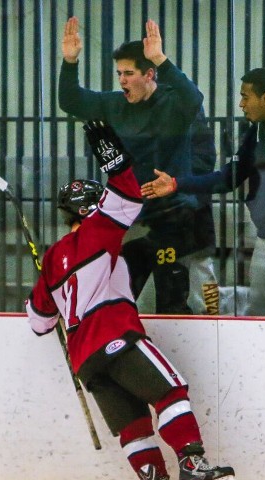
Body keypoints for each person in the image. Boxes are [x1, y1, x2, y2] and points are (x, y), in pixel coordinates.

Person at [25, 121, 236, 480]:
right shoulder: (97, 232)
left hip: (84, 360)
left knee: (134, 429)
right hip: (115, 335)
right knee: (171, 393)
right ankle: (192, 467)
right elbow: (125, 193)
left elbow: (39, 322)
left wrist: (44, 281)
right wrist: (114, 155)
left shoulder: (52, 260)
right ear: (90, 210)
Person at [59, 16, 219, 315]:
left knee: (185, 290)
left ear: (149, 75)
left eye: (129, 73)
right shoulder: (114, 103)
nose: (122, 80)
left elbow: (193, 99)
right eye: (119, 73)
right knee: (122, 287)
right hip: (135, 213)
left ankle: (208, 332)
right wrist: (70, 62)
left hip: (178, 212)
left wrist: (161, 58)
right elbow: (70, 101)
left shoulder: (175, 104)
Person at [142, 68, 265, 317]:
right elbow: (228, 178)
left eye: (245, 97)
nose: (241, 104)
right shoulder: (257, 132)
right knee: (259, 310)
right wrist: (177, 184)